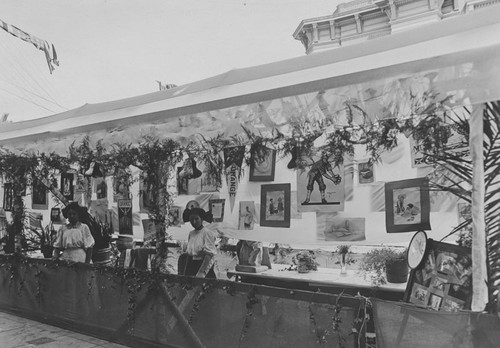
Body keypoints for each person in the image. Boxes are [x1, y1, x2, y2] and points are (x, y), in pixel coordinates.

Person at [180, 207, 217, 278]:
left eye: (196, 219)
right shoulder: (191, 233)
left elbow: (209, 255)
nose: (194, 222)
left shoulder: (207, 233)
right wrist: (185, 272)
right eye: (191, 220)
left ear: (202, 219)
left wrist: (201, 272)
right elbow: (190, 254)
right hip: (191, 266)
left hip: (203, 266)